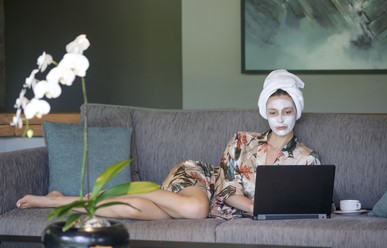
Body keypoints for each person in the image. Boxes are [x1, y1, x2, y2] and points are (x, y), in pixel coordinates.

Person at [16, 69, 320, 220]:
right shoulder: (243, 140)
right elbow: (226, 190)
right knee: (197, 207)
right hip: (199, 182)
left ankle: (62, 200)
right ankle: (109, 188)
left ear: (298, 112)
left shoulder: (307, 160)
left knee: (136, 212)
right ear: (264, 113)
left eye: (288, 111)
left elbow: (307, 205)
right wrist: (258, 210)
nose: (280, 119)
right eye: (273, 112)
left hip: (202, 210)